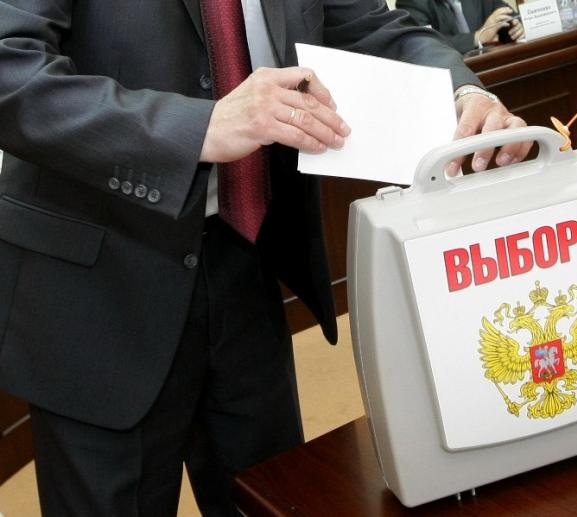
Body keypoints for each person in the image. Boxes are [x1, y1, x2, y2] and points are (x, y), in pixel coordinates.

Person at [0, 0, 531, 515]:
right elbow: (11, 69)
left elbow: (371, 28)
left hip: (247, 257)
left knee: (268, 494)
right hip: (100, 286)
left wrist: (462, 92)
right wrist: (198, 127)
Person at [396, 0, 525, 54]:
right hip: (450, 80)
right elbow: (426, 44)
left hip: (490, 67)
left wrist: (515, 27)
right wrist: (477, 37)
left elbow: (505, 12)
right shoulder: (411, 3)